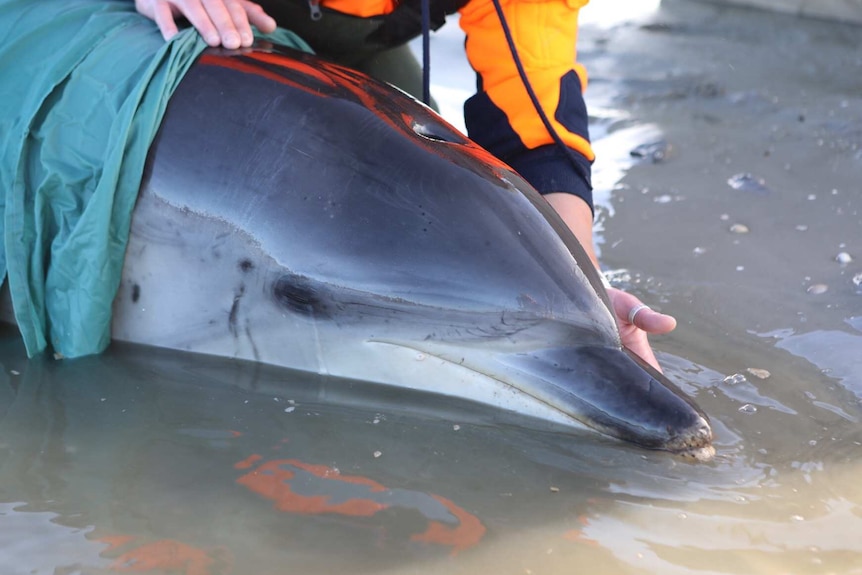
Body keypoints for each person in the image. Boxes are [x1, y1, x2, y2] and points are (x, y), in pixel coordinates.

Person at [133, 0, 677, 371]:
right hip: (159, 17)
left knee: (430, 196)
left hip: (343, 35)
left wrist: (581, 300)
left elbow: (535, 127)